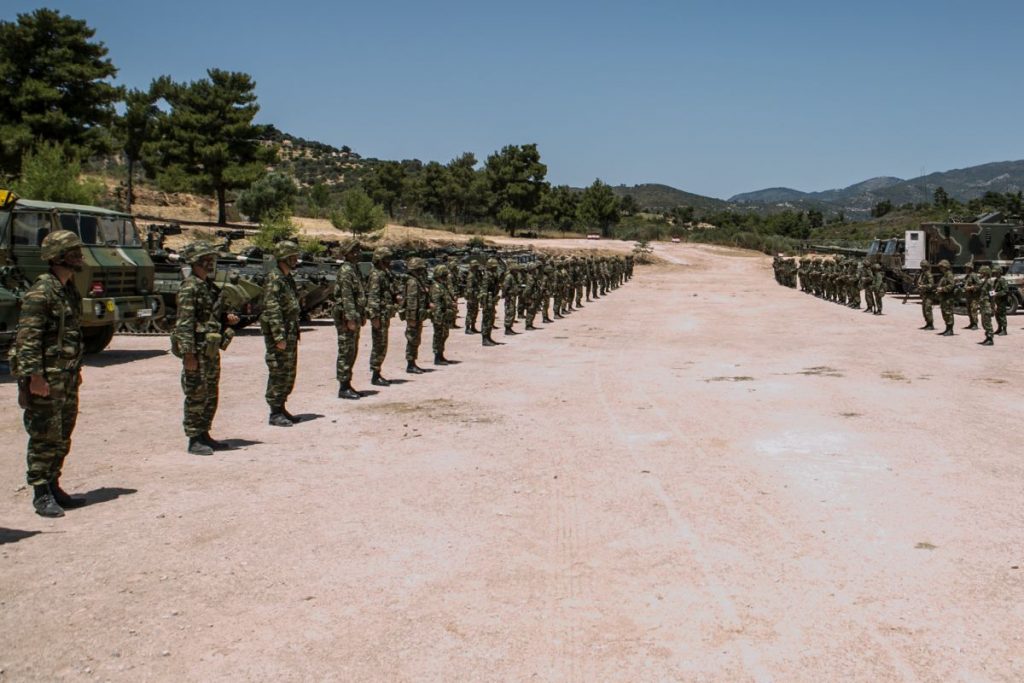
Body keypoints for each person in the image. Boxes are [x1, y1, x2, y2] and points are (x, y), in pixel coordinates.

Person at [12, 230, 87, 517]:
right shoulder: (41, 291)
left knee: (63, 433)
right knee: (44, 433)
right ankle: (41, 492)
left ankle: (54, 484)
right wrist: (35, 377)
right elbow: (27, 338)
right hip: (46, 378)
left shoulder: (68, 289)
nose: (80, 256)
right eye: (73, 251)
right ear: (58, 256)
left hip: (66, 376)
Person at [172, 241, 234, 455]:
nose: (210, 264)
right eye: (206, 260)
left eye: (211, 260)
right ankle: (194, 438)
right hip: (197, 351)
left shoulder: (209, 286)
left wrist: (227, 319)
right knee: (196, 393)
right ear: (195, 262)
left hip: (210, 350)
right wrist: (188, 353)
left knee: (210, 393)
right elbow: (184, 323)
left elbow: (212, 316)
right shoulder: (190, 287)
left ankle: (204, 432)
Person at [260, 241, 302, 427]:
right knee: (278, 370)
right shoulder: (275, 278)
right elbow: (272, 308)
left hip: (290, 331)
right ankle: (274, 412)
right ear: (284, 257)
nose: (295, 259)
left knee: (288, 371)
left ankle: (282, 406)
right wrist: (279, 336)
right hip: (281, 334)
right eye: (292, 256)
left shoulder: (287, 278)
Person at [332, 238, 366, 400]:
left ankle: (348, 383)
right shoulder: (346, 270)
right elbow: (346, 297)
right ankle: (343, 386)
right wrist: (350, 318)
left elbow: (359, 294)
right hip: (346, 318)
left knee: (352, 350)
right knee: (346, 350)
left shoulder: (354, 269)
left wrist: (362, 314)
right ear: (347, 253)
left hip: (354, 316)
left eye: (358, 250)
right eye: (354, 251)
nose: (357, 254)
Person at [366, 247, 399, 386]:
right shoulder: (376, 275)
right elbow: (373, 297)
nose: (389, 262)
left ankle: (377, 372)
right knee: (379, 345)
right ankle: (375, 374)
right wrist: (374, 317)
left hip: (384, 314)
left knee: (382, 344)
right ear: (380, 260)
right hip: (379, 315)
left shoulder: (384, 273)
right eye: (386, 259)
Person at [403, 257, 431, 373]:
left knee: (415, 338)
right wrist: (412, 318)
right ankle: (410, 364)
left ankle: (413, 362)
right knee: (412, 339)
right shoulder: (413, 282)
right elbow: (412, 301)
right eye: (420, 269)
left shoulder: (416, 280)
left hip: (417, 315)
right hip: (414, 315)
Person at [430, 264, 454, 365]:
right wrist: (438, 318)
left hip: (445, 316)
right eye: (444, 275)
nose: (445, 277)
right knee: (439, 336)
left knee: (444, 335)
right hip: (439, 316)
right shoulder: (436, 287)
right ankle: (437, 357)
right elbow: (437, 304)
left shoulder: (441, 285)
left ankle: (441, 355)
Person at [479, 258, 501, 346]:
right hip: (487, 300)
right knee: (486, 319)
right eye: (494, 267)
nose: (496, 268)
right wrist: (484, 303)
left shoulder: (493, 275)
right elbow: (484, 290)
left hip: (491, 299)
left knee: (491, 319)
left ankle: (488, 337)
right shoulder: (487, 276)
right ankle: (485, 338)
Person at [934, 259, 956, 336]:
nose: (940, 268)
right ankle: (947, 328)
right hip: (944, 298)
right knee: (945, 313)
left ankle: (950, 330)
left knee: (948, 313)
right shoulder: (945, 275)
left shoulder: (949, 275)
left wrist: (942, 289)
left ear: (945, 267)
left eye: (942, 267)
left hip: (948, 298)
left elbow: (951, 285)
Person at [977, 265, 995, 345]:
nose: (980, 274)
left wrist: (993, 306)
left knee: (987, 322)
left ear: (986, 273)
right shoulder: (984, 282)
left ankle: (990, 339)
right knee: (984, 322)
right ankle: (987, 337)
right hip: (983, 305)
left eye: (982, 273)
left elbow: (992, 294)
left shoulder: (989, 282)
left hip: (987, 305)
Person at [463, 261, 481, 334]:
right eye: (475, 266)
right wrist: (470, 297)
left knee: (475, 311)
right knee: (470, 312)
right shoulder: (471, 275)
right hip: (472, 297)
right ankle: (468, 328)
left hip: (475, 296)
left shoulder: (476, 274)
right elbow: (469, 288)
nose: (477, 268)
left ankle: (473, 326)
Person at [917, 260, 935, 330]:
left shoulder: (928, 274)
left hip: (929, 295)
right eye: (921, 266)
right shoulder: (923, 274)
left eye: (923, 266)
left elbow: (931, 285)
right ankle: (927, 323)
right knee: (924, 310)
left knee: (928, 309)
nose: (922, 268)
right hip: (925, 295)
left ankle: (931, 324)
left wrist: (923, 286)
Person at [961, 262, 980, 330]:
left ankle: (975, 324)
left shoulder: (973, 275)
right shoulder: (967, 276)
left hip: (974, 297)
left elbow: (978, 285)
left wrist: (970, 288)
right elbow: (964, 283)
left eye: (967, 268)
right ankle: (971, 323)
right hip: (968, 296)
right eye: (965, 268)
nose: (966, 269)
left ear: (970, 268)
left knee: (973, 310)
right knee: (969, 310)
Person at [992, 265, 1010, 335]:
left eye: (996, 272)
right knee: (997, 315)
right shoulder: (996, 280)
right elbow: (994, 289)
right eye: (994, 273)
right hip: (997, 301)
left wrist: (996, 294)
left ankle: (1004, 330)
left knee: (1002, 315)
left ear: (999, 272)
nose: (995, 274)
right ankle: (999, 328)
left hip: (1002, 301)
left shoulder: (1002, 280)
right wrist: (991, 294)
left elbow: (1005, 291)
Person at [502, 263, 519, 335]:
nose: (517, 271)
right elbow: (505, 287)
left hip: (512, 296)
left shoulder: (513, 276)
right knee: (509, 312)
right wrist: (506, 295)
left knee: (512, 311)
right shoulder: (509, 277)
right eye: (516, 270)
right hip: (509, 297)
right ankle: (507, 328)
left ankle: (509, 327)